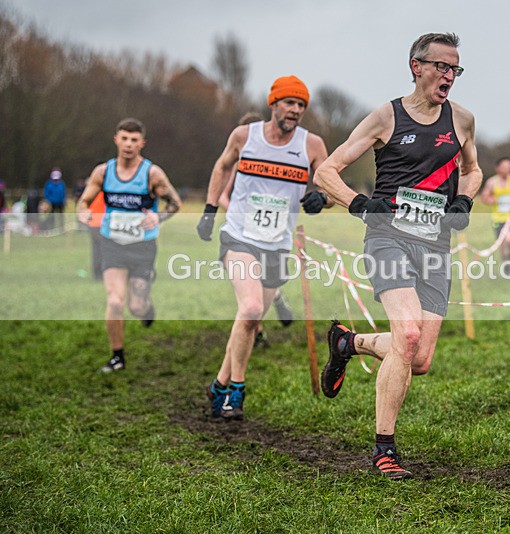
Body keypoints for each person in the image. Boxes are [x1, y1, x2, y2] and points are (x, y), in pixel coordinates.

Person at [313, 32, 482, 479]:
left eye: (455, 69)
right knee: (406, 336)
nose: (449, 76)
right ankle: (383, 450)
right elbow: (325, 172)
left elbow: (473, 170)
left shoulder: (462, 120)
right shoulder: (386, 117)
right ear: (416, 66)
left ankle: (348, 344)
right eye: (442, 66)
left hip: (435, 246)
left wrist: (464, 200)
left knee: (419, 359)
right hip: (388, 238)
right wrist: (359, 204)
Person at [196, 76, 330, 421]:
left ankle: (219, 383)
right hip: (240, 237)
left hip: (277, 244)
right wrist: (209, 210)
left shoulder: (312, 145)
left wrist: (321, 198)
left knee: (249, 319)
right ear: (274, 104)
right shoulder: (245, 136)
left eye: (301, 105)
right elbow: (222, 165)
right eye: (289, 103)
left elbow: (329, 184)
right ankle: (236, 390)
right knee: (252, 308)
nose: (295, 110)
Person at [77, 118, 182, 372]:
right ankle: (117, 357)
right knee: (115, 301)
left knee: (135, 306)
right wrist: (83, 212)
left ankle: (146, 309)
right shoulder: (103, 172)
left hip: (142, 246)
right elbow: (84, 202)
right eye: (124, 138)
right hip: (112, 243)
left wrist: (158, 217)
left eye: (134, 140)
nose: (128, 144)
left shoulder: (152, 174)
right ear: (116, 140)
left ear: (142, 143)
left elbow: (175, 203)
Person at [218, 111, 295, 350]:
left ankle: (276, 297)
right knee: (250, 294)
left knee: (262, 285)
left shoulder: (276, 161)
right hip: (242, 234)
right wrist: (238, 213)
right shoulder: (238, 161)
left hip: (271, 235)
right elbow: (222, 195)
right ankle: (258, 332)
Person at [480, 157, 510, 263]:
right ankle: (506, 261)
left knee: (509, 239)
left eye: (509, 167)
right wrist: (491, 200)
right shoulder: (491, 182)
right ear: (498, 168)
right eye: (504, 167)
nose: (507, 169)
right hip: (498, 218)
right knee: (502, 244)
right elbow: (484, 197)